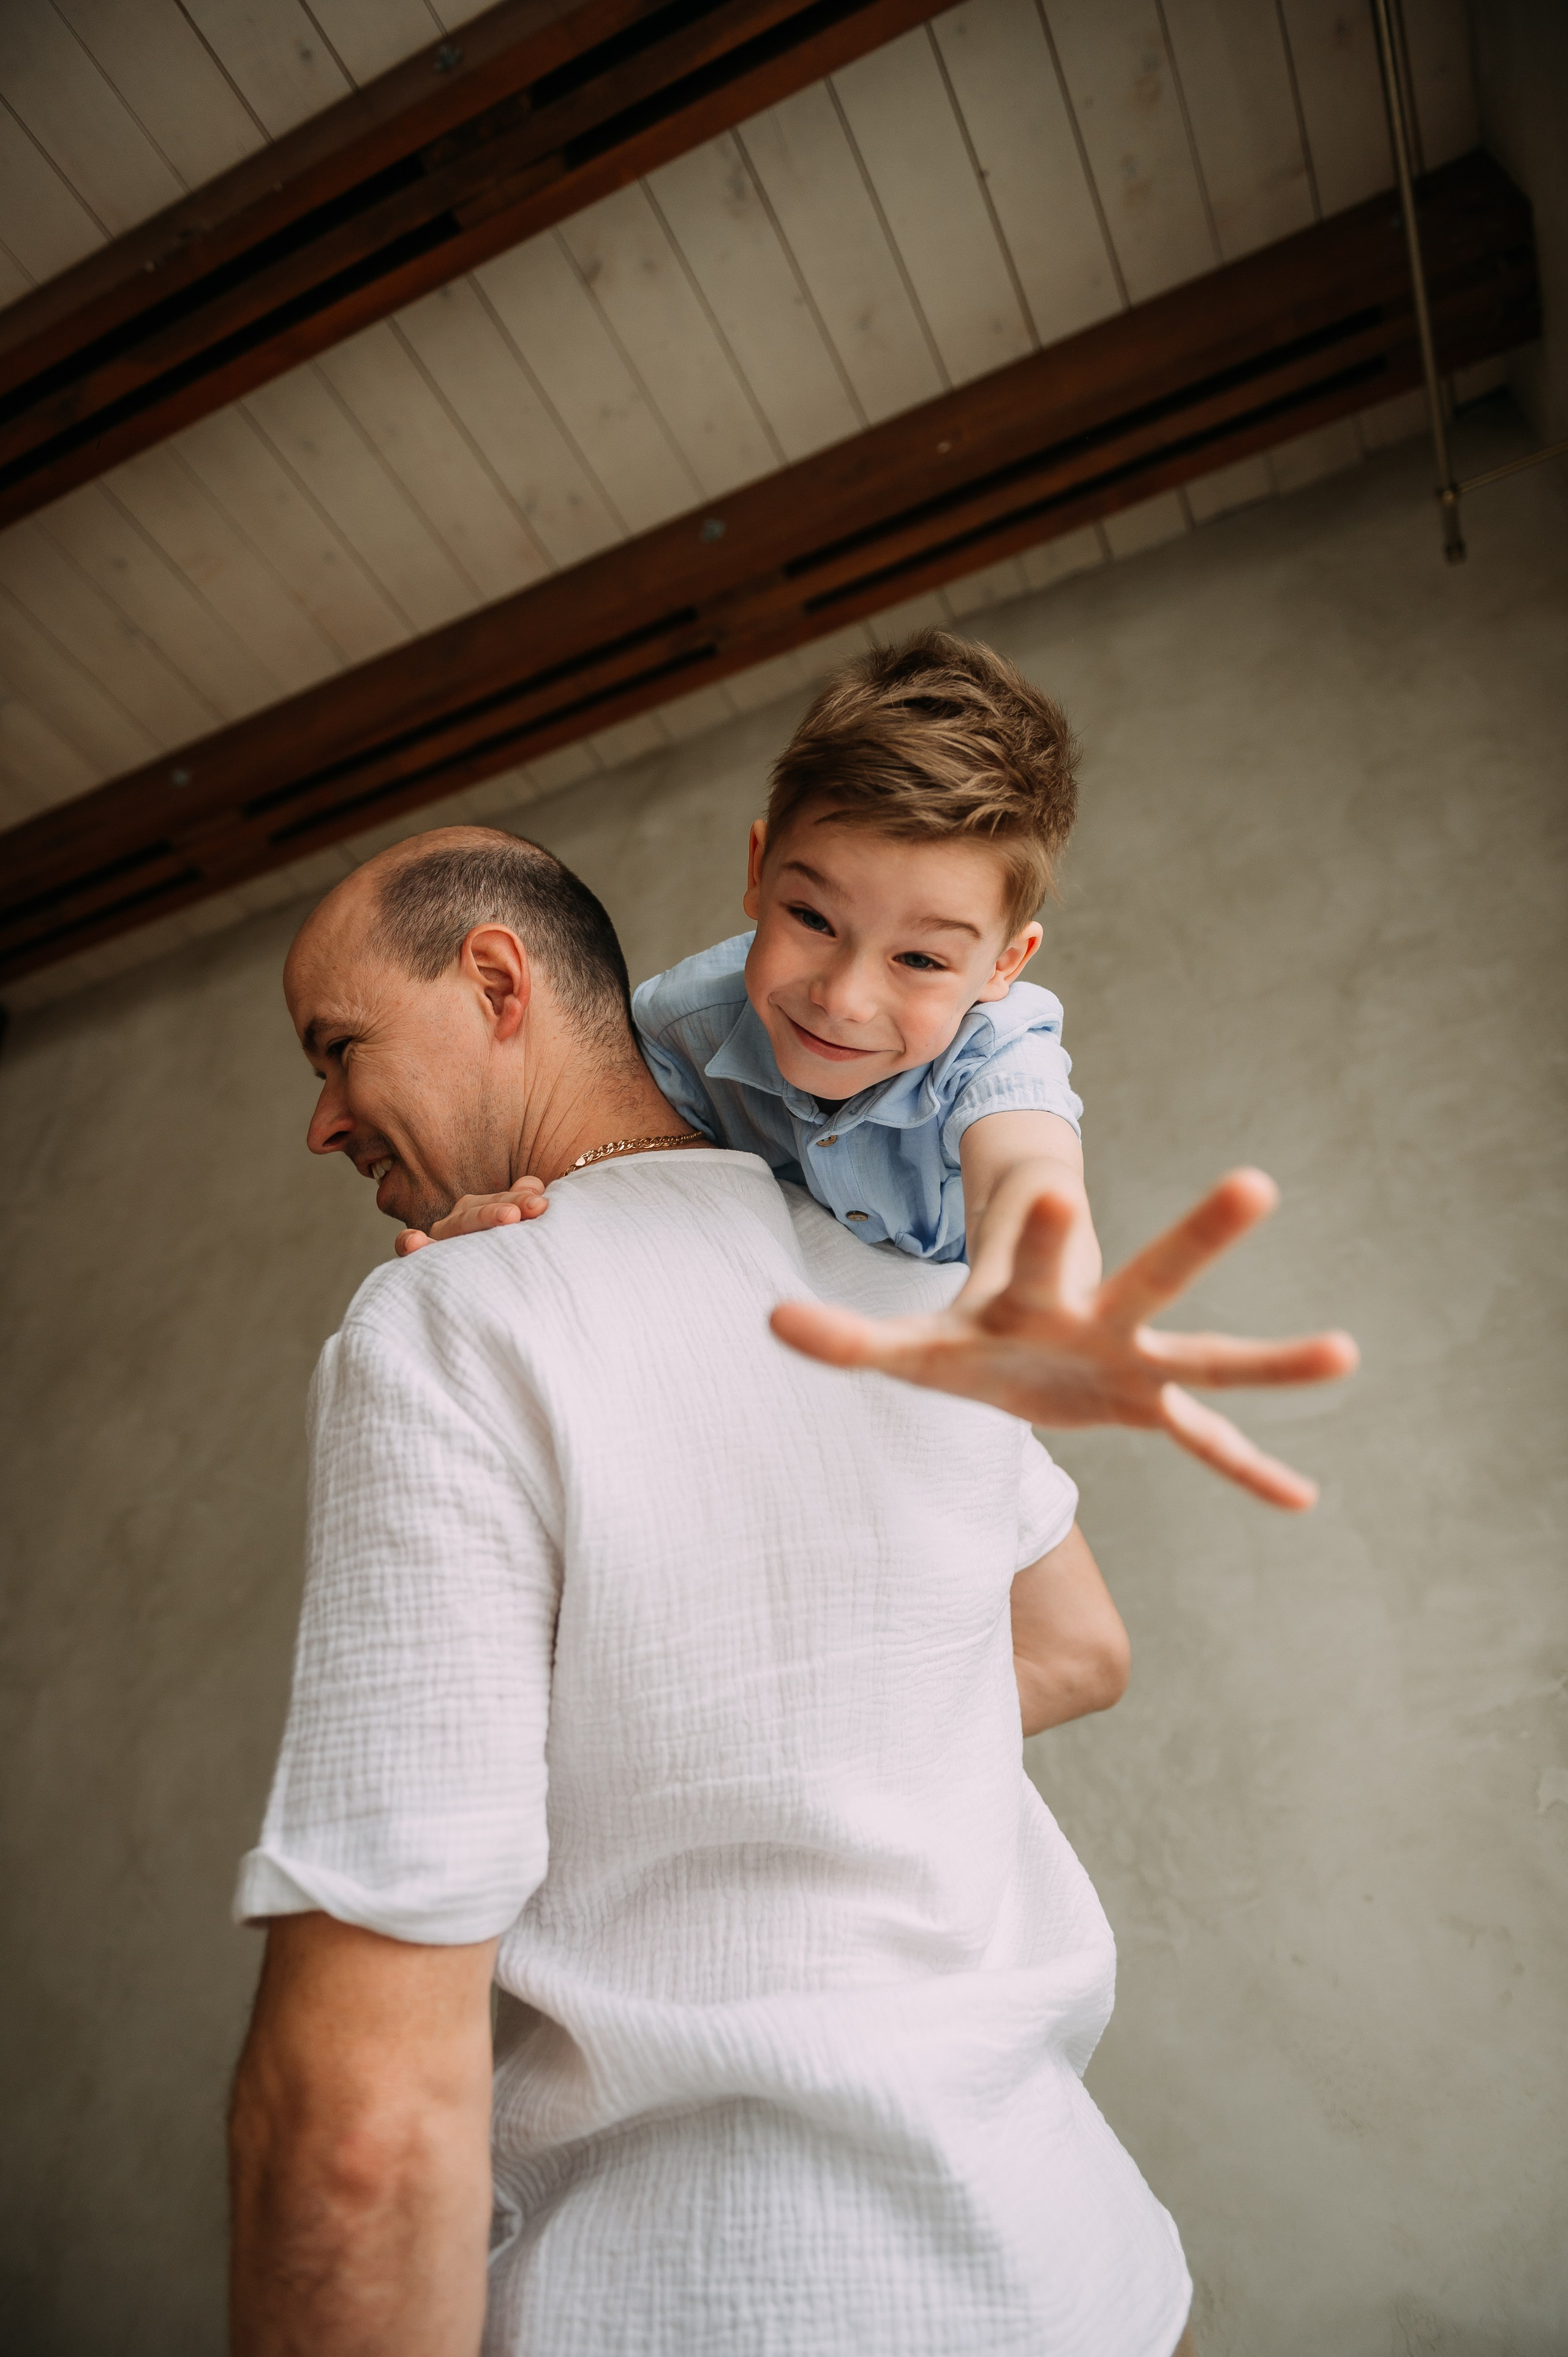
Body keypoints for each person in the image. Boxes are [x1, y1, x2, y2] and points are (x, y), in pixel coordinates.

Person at [229, 827, 1355, 2354]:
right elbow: (1074, 1644)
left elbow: (362, 2128)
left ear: (494, 978)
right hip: (1081, 2275)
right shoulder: (896, 1277)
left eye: (338, 1048)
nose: (321, 1120)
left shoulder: (453, 1314)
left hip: (715, 2291)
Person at [406, 629, 1099, 1304]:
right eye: (813, 919)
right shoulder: (681, 1031)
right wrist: (500, 1221)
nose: (843, 997)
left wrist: (1038, 1286)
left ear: (1003, 966)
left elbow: (1025, 1172)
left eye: (919, 958)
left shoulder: (997, 1052)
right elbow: (586, 1157)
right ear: (760, 871)